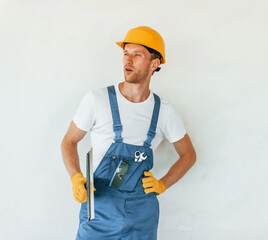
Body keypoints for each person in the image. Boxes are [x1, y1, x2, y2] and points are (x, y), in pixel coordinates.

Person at [61, 26, 196, 239]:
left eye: (137, 54)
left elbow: (188, 155)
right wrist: (76, 177)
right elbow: (69, 141)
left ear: (155, 63)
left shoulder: (164, 112)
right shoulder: (97, 99)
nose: (128, 60)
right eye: (125, 53)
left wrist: (162, 184)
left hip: (141, 214)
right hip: (98, 210)